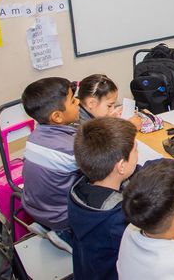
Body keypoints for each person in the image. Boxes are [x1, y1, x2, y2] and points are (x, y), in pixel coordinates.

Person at [68, 117, 139, 280]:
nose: (138, 154)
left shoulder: (80, 185)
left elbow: (135, 172)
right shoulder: (117, 219)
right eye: (136, 150)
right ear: (121, 166)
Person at [20, 77, 80, 241]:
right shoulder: (69, 150)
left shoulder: (34, 137)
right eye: (73, 101)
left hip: (33, 208)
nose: (78, 102)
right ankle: (65, 235)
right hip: (61, 217)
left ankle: (46, 226)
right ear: (57, 116)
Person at [76, 74, 140, 128]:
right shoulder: (81, 126)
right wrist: (129, 127)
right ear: (91, 103)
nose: (112, 110)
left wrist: (111, 119)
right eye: (109, 106)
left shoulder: (86, 111)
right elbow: (102, 141)